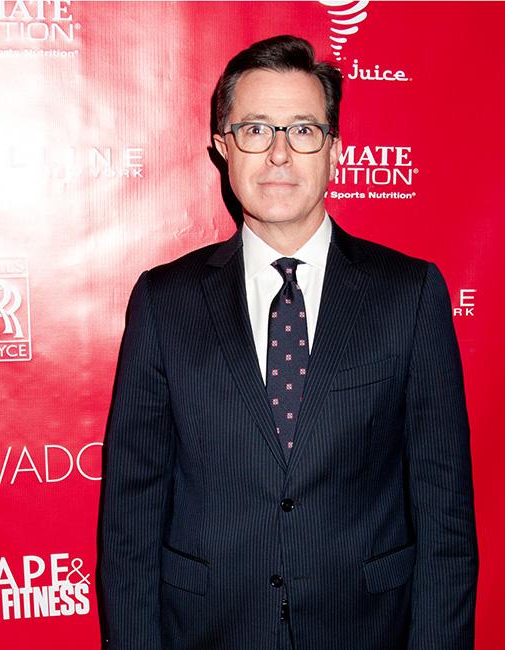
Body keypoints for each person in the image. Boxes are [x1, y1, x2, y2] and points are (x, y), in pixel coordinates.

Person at [101, 34, 478, 650]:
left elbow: (446, 519)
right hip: (208, 633)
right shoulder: (164, 302)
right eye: (255, 130)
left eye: (303, 131)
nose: (279, 153)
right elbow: (131, 522)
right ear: (222, 147)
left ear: (334, 151)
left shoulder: (409, 295)